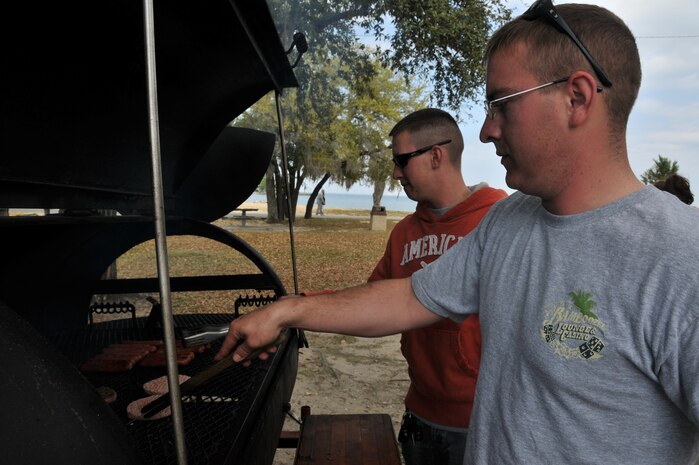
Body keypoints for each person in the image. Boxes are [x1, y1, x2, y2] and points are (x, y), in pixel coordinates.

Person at [217, 2, 699, 464]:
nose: (487, 131)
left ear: (576, 97)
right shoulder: (508, 222)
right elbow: (410, 298)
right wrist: (289, 310)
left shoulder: (680, 258)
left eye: (500, 104)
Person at [369, 108, 507, 465]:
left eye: (402, 160)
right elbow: (374, 300)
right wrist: (299, 307)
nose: (396, 172)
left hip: (479, 420)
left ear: (435, 156)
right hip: (420, 413)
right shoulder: (403, 232)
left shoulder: (498, 219)